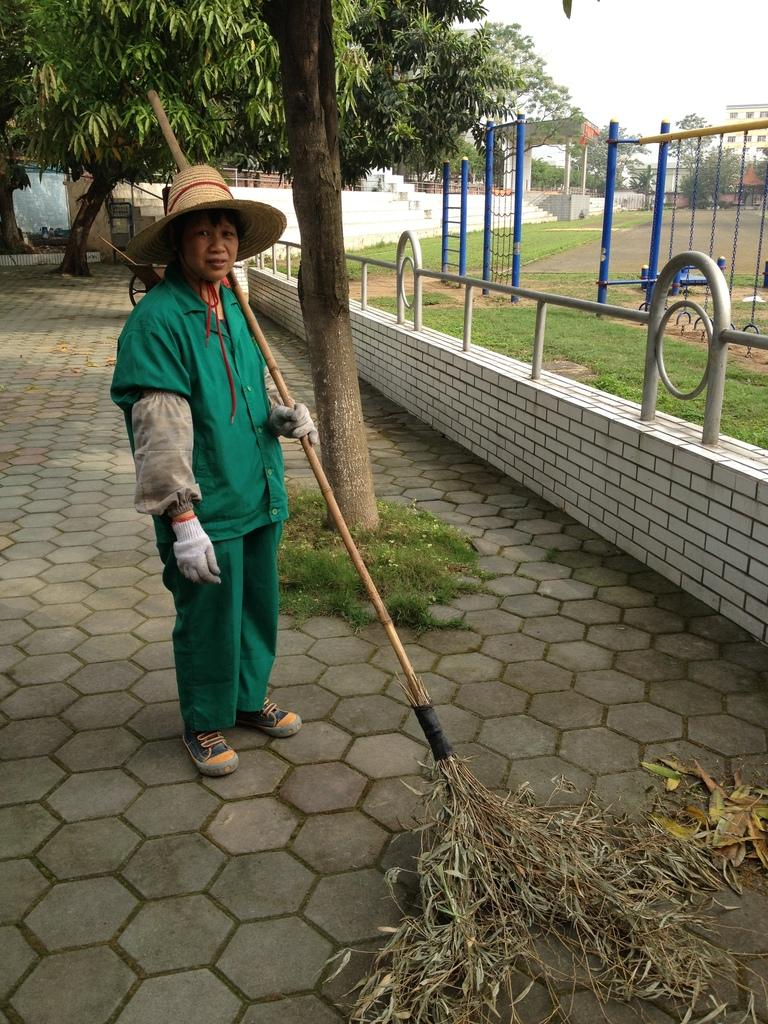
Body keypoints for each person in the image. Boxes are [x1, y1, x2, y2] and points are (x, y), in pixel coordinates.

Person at [111, 164, 318, 777]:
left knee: (257, 603)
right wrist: (183, 519)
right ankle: (204, 720)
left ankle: (248, 700)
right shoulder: (159, 322)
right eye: (203, 232)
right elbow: (160, 429)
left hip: (257, 487)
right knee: (208, 619)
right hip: (207, 504)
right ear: (179, 242)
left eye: (227, 230)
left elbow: (242, 395)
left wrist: (279, 419)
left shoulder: (233, 304)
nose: (219, 244)